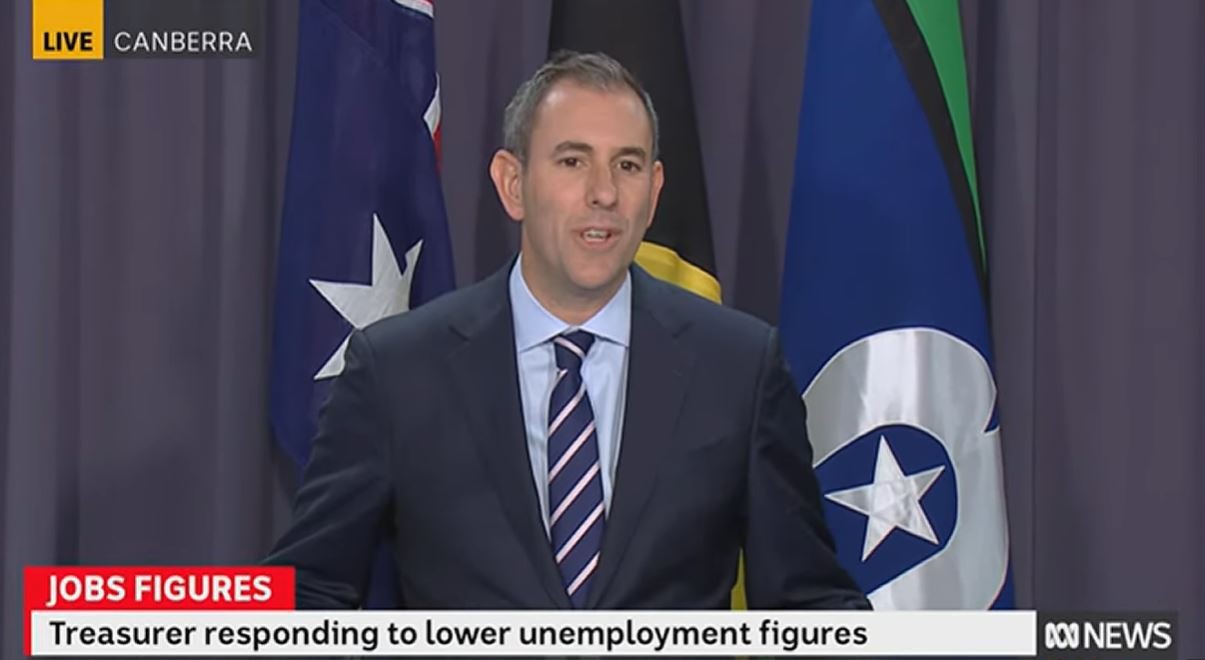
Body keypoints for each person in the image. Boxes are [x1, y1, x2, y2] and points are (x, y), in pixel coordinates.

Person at [266, 51, 869, 610]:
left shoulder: (739, 369)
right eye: (572, 160)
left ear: (653, 192)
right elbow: (309, 591)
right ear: (512, 184)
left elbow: (809, 605)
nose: (603, 193)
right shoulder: (397, 372)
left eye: (626, 165)